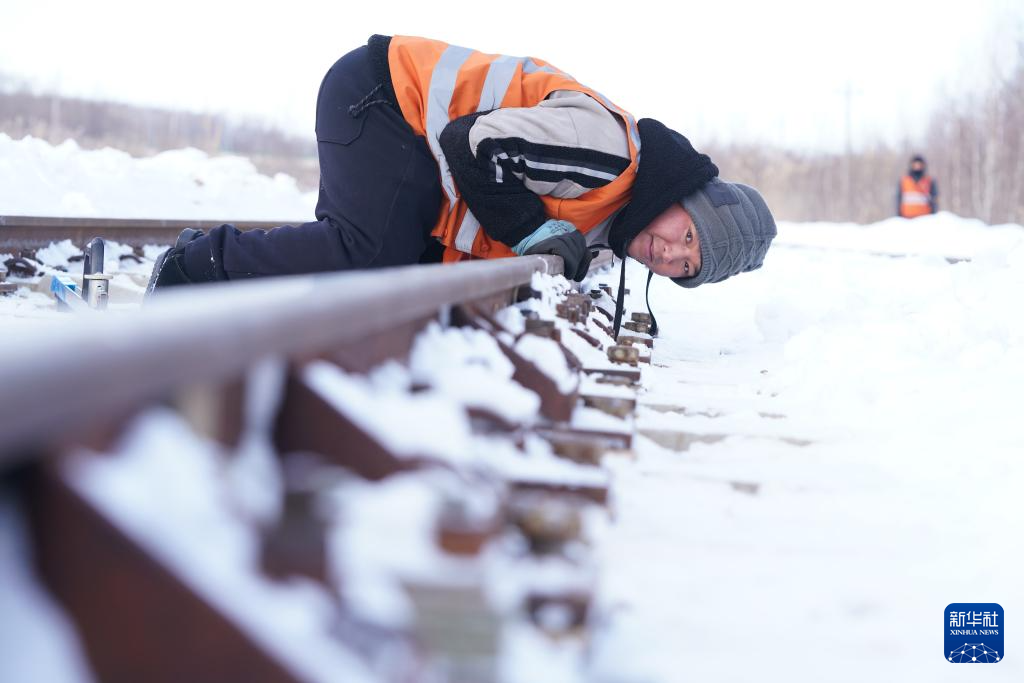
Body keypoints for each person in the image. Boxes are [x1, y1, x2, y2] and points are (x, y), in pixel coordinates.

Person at [148, 35, 776, 328]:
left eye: (686, 268)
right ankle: (192, 265)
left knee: (396, 276)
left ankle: (238, 305)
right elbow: (473, 144)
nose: (671, 255)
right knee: (364, 252)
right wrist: (533, 232)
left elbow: (479, 234)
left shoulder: (612, 223)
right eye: (688, 236)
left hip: (416, 144)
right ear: (684, 199)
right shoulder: (611, 157)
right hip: (389, 99)